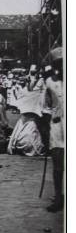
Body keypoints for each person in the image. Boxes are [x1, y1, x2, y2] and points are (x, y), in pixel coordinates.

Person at [43, 50, 63, 212]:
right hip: (57, 128)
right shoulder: (50, 82)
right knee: (58, 166)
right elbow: (46, 107)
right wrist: (44, 131)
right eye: (58, 64)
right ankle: (58, 197)